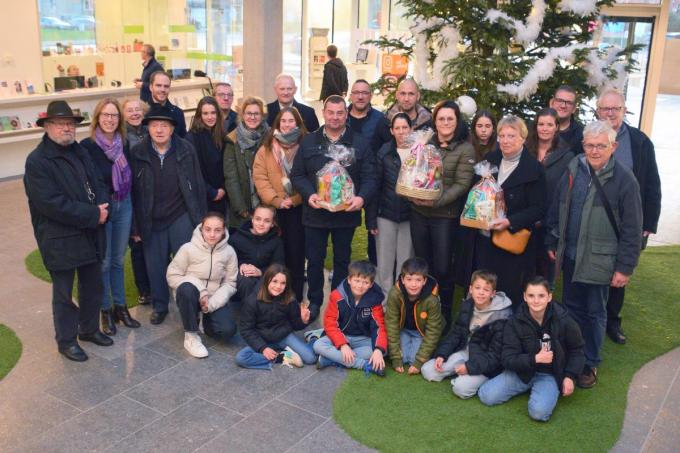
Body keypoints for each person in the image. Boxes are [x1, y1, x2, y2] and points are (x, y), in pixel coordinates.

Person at [546, 120, 642, 388]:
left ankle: (590, 362)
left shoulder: (625, 180)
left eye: (601, 145)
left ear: (614, 147)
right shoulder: (573, 168)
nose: (595, 150)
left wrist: (625, 267)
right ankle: (572, 356)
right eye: (590, 145)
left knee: (594, 312)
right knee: (571, 309)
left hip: (600, 260)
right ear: (583, 145)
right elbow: (558, 206)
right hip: (570, 256)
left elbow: (633, 228)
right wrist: (552, 239)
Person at [24, 100, 113, 362]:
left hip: (89, 231)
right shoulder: (37, 161)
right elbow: (51, 204)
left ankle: (89, 329)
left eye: (70, 124)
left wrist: (103, 204)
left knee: (92, 285)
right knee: (63, 293)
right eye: (60, 124)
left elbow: (98, 181)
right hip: (59, 237)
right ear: (47, 126)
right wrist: (93, 214)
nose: (67, 128)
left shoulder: (80, 150)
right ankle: (66, 341)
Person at [290, 95, 378, 321]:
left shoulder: (359, 143)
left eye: (340, 113)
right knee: (314, 260)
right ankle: (315, 301)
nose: (335, 117)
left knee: (342, 260)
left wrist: (361, 198)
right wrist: (309, 194)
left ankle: (339, 301)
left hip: (345, 215)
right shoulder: (309, 141)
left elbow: (370, 177)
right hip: (315, 214)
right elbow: (297, 175)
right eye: (331, 112)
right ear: (324, 113)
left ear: (346, 114)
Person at [129, 104, 207, 325]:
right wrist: (135, 226)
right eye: (154, 125)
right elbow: (132, 192)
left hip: (180, 214)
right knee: (155, 267)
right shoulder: (137, 152)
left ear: (172, 129)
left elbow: (198, 184)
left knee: (187, 265)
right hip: (151, 218)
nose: (159, 130)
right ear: (148, 128)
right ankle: (160, 306)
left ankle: (189, 305)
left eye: (164, 125)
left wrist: (200, 219)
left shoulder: (186, 149)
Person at [596, 88, 661, 345]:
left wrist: (649, 223)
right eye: (606, 108)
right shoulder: (588, 137)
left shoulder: (640, 142)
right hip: (594, 219)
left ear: (624, 110)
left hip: (627, 222)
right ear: (598, 111)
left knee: (619, 273)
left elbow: (652, 184)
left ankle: (612, 321)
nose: (610, 113)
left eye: (616, 108)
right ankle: (589, 318)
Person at [408, 100, 476, 331]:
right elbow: (413, 171)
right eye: (441, 118)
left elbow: (462, 184)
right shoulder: (425, 143)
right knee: (423, 265)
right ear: (434, 121)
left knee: (444, 268)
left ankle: (443, 315)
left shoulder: (465, 149)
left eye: (450, 119)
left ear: (457, 122)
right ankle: (422, 313)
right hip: (419, 212)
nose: (445, 123)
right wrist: (412, 192)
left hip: (445, 216)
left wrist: (435, 200)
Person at [478, 277, 584, 422]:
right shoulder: (514, 322)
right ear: (524, 297)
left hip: (549, 374)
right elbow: (507, 358)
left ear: (549, 297)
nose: (536, 300)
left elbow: (577, 350)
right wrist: (535, 358)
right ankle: (528, 387)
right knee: (486, 396)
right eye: (531, 295)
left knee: (539, 413)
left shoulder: (564, 320)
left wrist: (570, 376)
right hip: (521, 372)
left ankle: (544, 391)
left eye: (541, 296)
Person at [472, 115, 546, 308]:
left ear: (523, 138)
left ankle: (506, 325)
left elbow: (539, 208)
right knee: (484, 289)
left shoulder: (534, 168)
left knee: (508, 291)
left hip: (512, 242)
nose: (505, 141)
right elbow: (477, 193)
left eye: (511, 136)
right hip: (486, 238)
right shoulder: (490, 161)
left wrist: (510, 221)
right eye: (502, 136)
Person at [81, 97, 140, 336]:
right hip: (104, 209)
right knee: (104, 262)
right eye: (105, 115)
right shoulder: (87, 146)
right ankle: (105, 310)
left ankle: (120, 308)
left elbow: (130, 179)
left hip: (124, 204)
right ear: (97, 118)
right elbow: (86, 181)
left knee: (118, 260)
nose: (110, 119)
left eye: (114, 115)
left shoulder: (123, 143)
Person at [421, 270, 512, 398]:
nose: (481, 292)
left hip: (485, 361)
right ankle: (460, 371)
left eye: (486, 290)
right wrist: (442, 354)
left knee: (460, 388)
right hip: (465, 351)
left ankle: (475, 378)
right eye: (477, 288)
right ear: (471, 289)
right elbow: (456, 333)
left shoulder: (502, 317)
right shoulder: (467, 305)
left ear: (493, 293)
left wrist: (469, 368)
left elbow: (495, 356)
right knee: (428, 370)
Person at [253, 107, 308, 300]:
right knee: (277, 256)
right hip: (274, 210)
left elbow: (311, 178)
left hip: (299, 209)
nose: (287, 125)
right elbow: (260, 178)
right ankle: (274, 297)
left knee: (296, 256)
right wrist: (277, 201)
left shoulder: (306, 145)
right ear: (277, 123)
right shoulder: (266, 148)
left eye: (291, 121)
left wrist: (293, 200)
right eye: (283, 121)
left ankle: (295, 298)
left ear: (298, 124)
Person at [166, 212, 239, 357]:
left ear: (223, 231)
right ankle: (191, 336)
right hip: (190, 296)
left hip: (213, 299)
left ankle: (204, 320)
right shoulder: (187, 248)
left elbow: (230, 283)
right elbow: (172, 275)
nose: (212, 234)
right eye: (208, 229)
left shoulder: (229, 252)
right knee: (186, 288)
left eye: (217, 230)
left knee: (228, 331)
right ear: (201, 229)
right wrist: (201, 290)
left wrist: (210, 304)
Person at [235, 263, 316, 369]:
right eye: (275, 281)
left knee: (310, 358)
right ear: (267, 280)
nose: (278, 286)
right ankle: (282, 357)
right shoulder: (252, 301)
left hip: (284, 336)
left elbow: (295, 324)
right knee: (241, 358)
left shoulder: (289, 298)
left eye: (283, 283)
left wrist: (303, 320)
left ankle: (314, 339)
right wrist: (263, 348)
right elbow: (246, 329)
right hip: (262, 339)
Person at [366, 112, 414, 293]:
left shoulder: (419, 152)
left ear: (411, 129)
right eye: (397, 128)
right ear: (392, 131)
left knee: (405, 262)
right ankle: (384, 300)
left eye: (405, 127)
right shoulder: (384, 152)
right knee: (384, 262)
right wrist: (371, 219)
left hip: (410, 215)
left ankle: (401, 300)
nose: (401, 132)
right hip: (385, 214)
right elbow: (375, 186)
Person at [526, 107, 574, 285]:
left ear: (557, 127)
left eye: (549, 124)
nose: (544, 128)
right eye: (541, 124)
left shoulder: (567, 156)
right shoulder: (525, 150)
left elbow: (565, 193)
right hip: (525, 220)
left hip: (550, 224)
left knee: (544, 276)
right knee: (523, 273)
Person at [313, 260, 387, 375]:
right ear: (349, 280)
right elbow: (330, 323)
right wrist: (343, 345)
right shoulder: (337, 295)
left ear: (371, 284)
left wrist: (378, 350)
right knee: (318, 345)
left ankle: (331, 359)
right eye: (357, 280)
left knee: (382, 350)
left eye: (365, 282)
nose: (360, 286)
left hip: (362, 338)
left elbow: (379, 326)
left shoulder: (374, 299)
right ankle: (364, 364)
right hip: (341, 334)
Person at [347, 79, 385, 266]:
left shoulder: (380, 119)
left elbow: (387, 147)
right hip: (345, 181)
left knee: (373, 227)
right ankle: (342, 268)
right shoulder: (341, 116)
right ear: (350, 96)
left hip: (372, 180)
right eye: (356, 92)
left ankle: (374, 267)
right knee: (344, 230)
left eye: (364, 93)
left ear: (370, 96)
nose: (360, 96)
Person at [385, 257, 444, 375]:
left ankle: (416, 349)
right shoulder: (395, 293)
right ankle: (406, 346)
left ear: (424, 281)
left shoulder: (432, 299)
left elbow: (433, 330)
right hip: (403, 330)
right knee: (402, 359)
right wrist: (396, 357)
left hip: (421, 332)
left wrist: (419, 361)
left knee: (413, 360)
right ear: (403, 280)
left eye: (418, 280)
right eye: (409, 279)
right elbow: (391, 323)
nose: (413, 284)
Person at [224, 96, 270, 229]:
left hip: (267, 203)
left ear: (262, 116)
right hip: (243, 204)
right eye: (249, 113)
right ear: (242, 115)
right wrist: (241, 209)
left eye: (256, 114)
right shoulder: (232, 139)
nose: (252, 117)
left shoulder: (271, 136)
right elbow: (231, 178)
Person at [122, 98, 151, 306]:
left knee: (155, 245)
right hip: (132, 196)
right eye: (130, 110)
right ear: (123, 115)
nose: (134, 113)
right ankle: (144, 289)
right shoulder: (121, 138)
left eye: (138, 109)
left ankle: (158, 283)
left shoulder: (150, 130)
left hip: (153, 196)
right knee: (138, 244)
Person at [228, 204, 285, 300]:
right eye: (258, 219)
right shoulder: (236, 238)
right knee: (246, 281)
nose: (261, 224)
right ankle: (248, 309)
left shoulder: (276, 241)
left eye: (267, 221)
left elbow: (279, 266)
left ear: (272, 224)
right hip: (241, 279)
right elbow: (226, 262)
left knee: (269, 283)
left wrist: (260, 272)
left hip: (264, 277)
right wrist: (241, 265)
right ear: (252, 219)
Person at [187, 96, 228, 215]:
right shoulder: (191, 138)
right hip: (203, 196)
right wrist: (211, 192)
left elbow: (226, 166)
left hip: (222, 194)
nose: (210, 117)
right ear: (199, 116)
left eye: (213, 113)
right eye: (205, 113)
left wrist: (223, 189)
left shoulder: (221, 134)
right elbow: (191, 171)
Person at [374, 78, 432, 147]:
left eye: (411, 94)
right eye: (403, 93)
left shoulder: (430, 123)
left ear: (418, 96)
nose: (406, 99)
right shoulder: (385, 122)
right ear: (397, 95)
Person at [148, 70, 187, 137]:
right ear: (151, 87)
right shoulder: (143, 112)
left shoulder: (178, 113)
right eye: (158, 85)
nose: (162, 90)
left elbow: (183, 139)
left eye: (166, 86)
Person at [548, 85, 583, 155]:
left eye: (569, 103)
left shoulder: (581, 135)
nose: (563, 106)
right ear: (551, 103)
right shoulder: (535, 129)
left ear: (574, 108)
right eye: (560, 100)